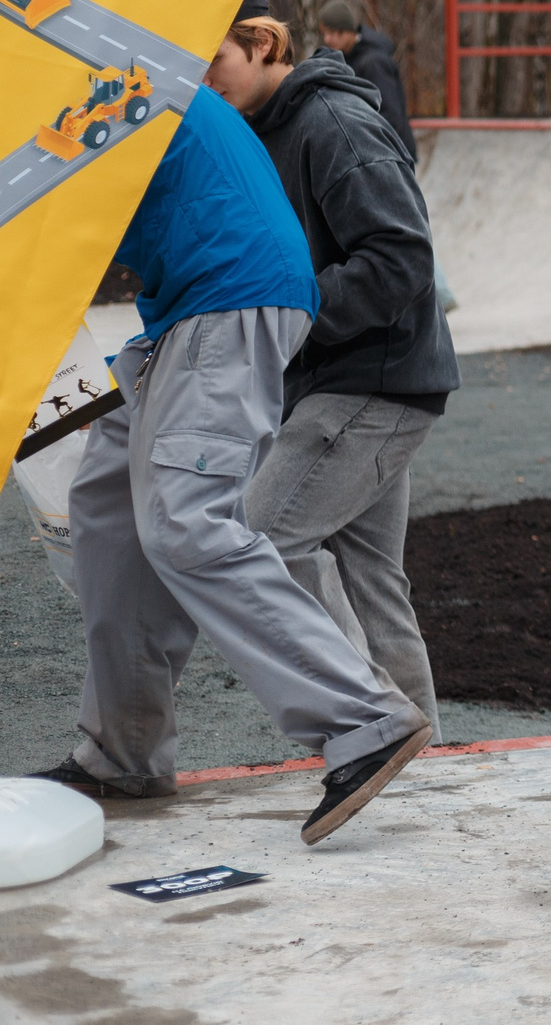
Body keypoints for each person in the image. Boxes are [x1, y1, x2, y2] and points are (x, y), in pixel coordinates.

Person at [29, 75, 431, 844]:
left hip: (230, 292)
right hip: (186, 305)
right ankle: (124, 751)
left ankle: (365, 718)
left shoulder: (57, 66)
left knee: (186, 520)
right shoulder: (60, 59)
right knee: (109, 514)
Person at [205, 7, 459, 742]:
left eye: (214, 58)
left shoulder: (333, 123)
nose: (203, 80)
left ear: (262, 42)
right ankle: (424, 763)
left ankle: (375, 723)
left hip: (371, 383)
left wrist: (290, 317)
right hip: (350, 380)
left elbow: (402, 257)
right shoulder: (263, 130)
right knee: (373, 584)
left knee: (259, 547)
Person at [315, 0, 415, 159]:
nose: (327, 39)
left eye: (332, 33)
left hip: (390, 156)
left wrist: (370, 152)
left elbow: (390, 116)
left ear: (347, 31)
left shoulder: (374, 62)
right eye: (324, 34)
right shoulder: (347, 59)